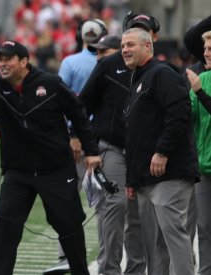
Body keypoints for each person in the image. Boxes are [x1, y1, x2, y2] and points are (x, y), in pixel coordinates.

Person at [0, 40, 101, 275]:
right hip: (17, 171)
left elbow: (77, 113)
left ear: (24, 61)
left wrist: (91, 150)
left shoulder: (50, 83)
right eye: (0, 59)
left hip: (55, 169)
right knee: (4, 226)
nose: (3, 64)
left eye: (9, 59)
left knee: (69, 226)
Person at [77, 14, 162, 275]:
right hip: (111, 147)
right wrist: (80, 139)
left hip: (143, 154)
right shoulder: (108, 65)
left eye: (142, 31)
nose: (131, 41)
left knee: (137, 214)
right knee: (115, 204)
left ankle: (135, 270)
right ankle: (109, 269)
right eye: (131, 31)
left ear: (151, 39)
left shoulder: (160, 72)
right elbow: (83, 103)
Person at [122, 27, 199, 275]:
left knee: (172, 235)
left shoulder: (162, 73)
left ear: (148, 46)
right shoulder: (139, 78)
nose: (125, 50)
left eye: (131, 44)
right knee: (155, 243)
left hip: (169, 173)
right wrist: (132, 178)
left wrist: (163, 151)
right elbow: (137, 134)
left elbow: (179, 113)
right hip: (146, 176)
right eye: (123, 45)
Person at [45, 18, 107, 275]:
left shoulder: (71, 62)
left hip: (75, 139)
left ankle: (65, 255)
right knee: (106, 204)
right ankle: (107, 255)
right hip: (104, 138)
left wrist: (70, 134)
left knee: (67, 198)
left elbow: (59, 101)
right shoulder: (111, 62)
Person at [186, 30, 211, 275]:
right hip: (204, 167)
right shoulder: (201, 77)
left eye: (210, 50)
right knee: (204, 227)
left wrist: (199, 92)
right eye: (205, 49)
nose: (206, 54)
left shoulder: (199, 85)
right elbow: (188, 116)